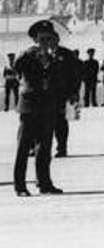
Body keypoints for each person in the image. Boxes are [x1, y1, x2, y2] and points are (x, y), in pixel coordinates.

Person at [12, 21, 65, 196]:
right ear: (35, 39)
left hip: (47, 106)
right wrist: (29, 53)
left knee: (44, 148)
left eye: (48, 39)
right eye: (42, 39)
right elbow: (16, 67)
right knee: (24, 147)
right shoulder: (27, 55)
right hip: (29, 107)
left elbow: (58, 80)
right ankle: (20, 185)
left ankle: (44, 183)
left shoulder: (53, 58)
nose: (45, 42)